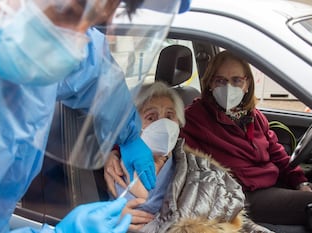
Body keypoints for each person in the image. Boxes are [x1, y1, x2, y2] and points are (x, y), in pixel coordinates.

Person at [0, 0, 191, 232]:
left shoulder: (36, 33)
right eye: (70, 11)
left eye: (93, 22)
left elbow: (96, 76)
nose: (76, 46)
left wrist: (129, 132)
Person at [180, 50, 312, 232]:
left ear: (247, 84)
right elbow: (182, 159)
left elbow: (277, 152)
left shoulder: (253, 115)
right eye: (220, 80)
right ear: (210, 84)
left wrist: (299, 181)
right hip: (243, 195)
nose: (228, 87)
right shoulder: (194, 118)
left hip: (272, 180)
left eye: (236, 80)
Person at [105, 82, 273, 233]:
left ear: (178, 122)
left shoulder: (195, 163)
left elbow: (234, 214)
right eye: (151, 117)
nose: (163, 124)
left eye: (169, 116)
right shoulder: (117, 171)